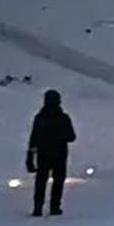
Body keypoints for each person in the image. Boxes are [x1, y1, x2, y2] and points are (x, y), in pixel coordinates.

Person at [27, 89, 76, 217]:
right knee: (58, 181)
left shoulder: (40, 118)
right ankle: (54, 207)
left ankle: (38, 208)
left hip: (44, 154)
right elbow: (72, 137)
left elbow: (33, 139)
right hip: (59, 154)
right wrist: (60, 136)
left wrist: (30, 156)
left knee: (41, 181)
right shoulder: (64, 118)